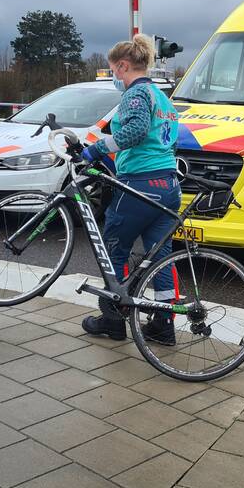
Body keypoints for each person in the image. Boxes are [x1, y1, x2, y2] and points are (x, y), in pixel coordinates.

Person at [79, 34, 180, 345]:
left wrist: (95, 151)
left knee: (114, 248)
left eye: (113, 71)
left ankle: (113, 319)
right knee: (158, 256)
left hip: (140, 185)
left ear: (123, 66)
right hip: (168, 185)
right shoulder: (162, 97)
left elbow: (135, 132)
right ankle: (163, 325)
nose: (114, 77)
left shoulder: (134, 95)